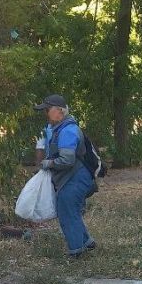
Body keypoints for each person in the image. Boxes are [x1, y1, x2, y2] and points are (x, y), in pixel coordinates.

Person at [34, 94, 96, 257]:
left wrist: (48, 163)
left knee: (67, 211)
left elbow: (67, 160)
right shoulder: (59, 128)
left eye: (47, 110)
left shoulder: (67, 131)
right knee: (70, 210)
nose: (45, 113)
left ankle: (77, 251)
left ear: (59, 111)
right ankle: (87, 243)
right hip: (73, 177)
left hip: (76, 177)